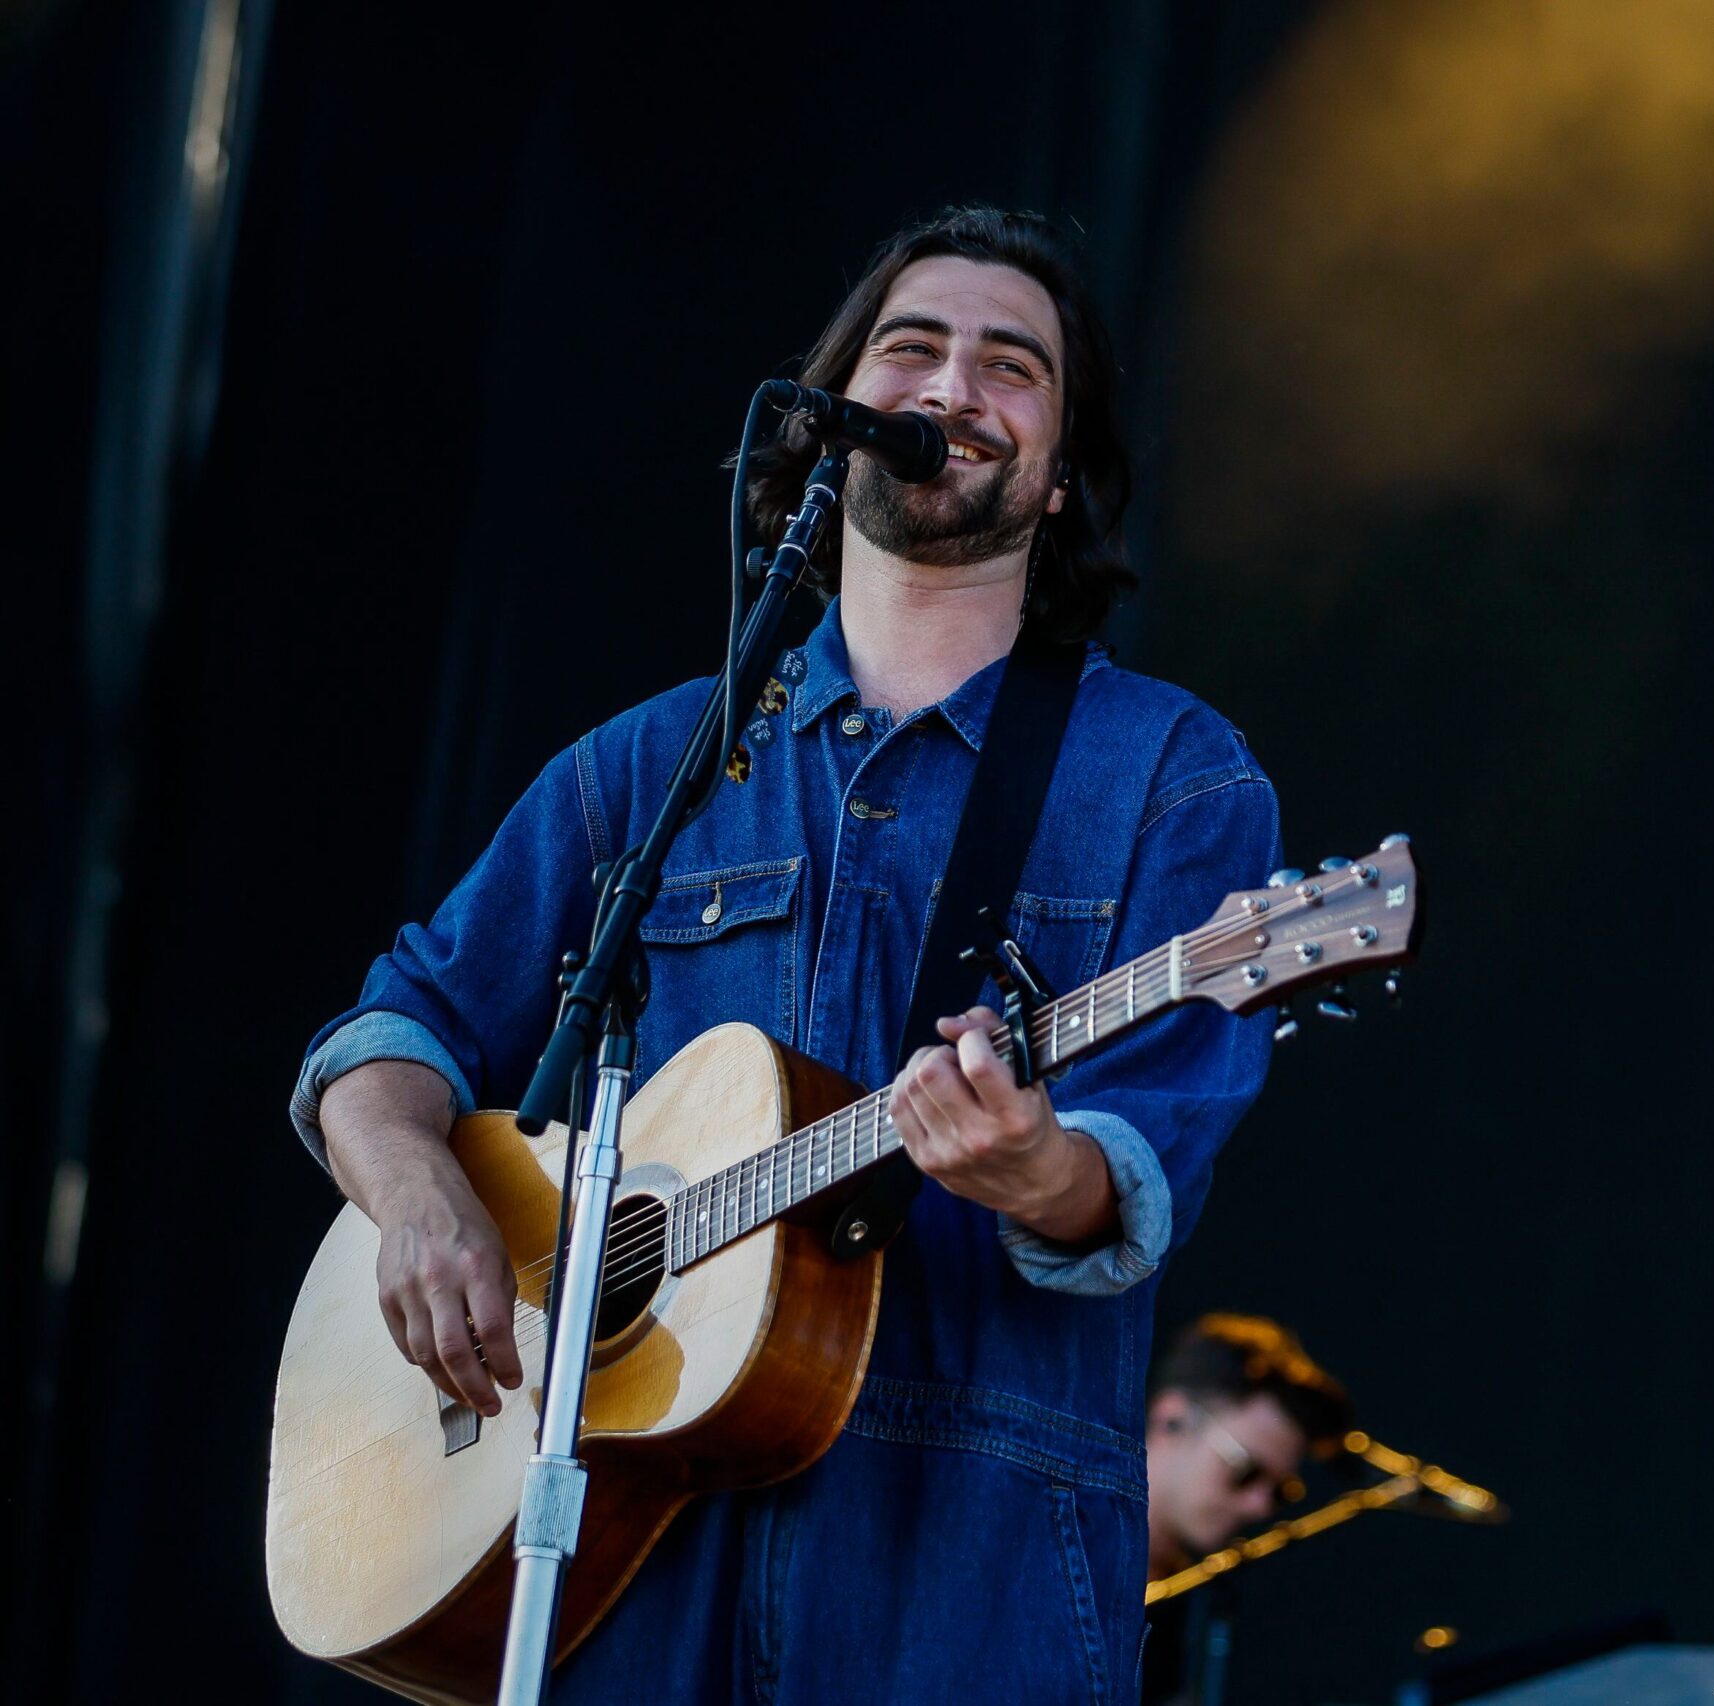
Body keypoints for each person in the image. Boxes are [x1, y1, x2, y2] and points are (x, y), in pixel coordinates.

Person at [290, 206, 1282, 1704]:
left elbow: (1139, 1165)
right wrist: (424, 1197)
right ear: (835, 423)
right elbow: (389, 1033)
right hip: (626, 1571)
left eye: (1013, 367)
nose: (953, 386)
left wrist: (1034, 1168)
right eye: (912, 347)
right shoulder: (646, 769)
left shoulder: (1172, 778)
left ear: (1063, 470)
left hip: (961, 1578)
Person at [1140, 1314, 1354, 1704]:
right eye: (1245, 1470)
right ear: (1172, 1418)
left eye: (1280, 1491)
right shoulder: (1038, 1550)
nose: (1259, 1507)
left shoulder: (1193, 1619)